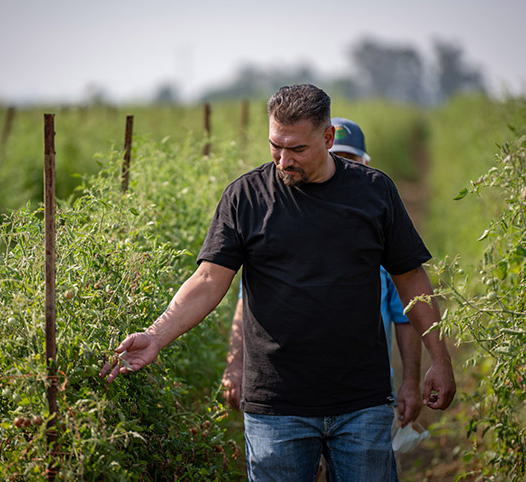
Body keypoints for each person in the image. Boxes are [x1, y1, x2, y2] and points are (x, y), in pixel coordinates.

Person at [100, 84, 456, 482]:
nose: (284, 160)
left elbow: (411, 281)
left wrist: (439, 360)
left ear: (327, 137)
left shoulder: (374, 192)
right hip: (276, 408)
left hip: (362, 402)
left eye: (297, 149)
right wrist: (155, 335)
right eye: (275, 146)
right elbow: (207, 280)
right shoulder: (245, 198)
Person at [221, 118, 423, 430]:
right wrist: (235, 363)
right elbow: (245, 302)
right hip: (287, 395)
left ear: (365, 163)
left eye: (350, 160)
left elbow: (406, 314)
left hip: (362, 391)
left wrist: (411, 380)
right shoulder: (275, 215)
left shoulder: (377, 226)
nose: (341, 166)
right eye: (336, 157)